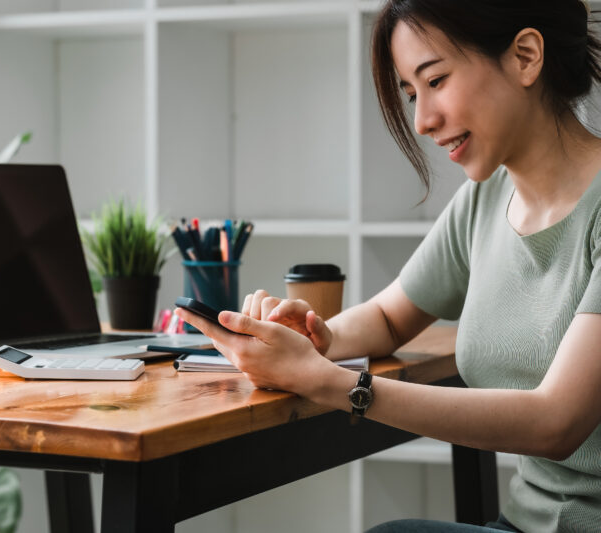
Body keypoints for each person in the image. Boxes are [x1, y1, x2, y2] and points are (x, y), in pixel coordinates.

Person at [175, 1, 601, 531]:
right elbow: (391, 317)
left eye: (436, 80)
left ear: (525, 57)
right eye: (411, 94)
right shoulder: (486, 199)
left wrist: (328, 383)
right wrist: (315, 338)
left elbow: (554, 423)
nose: (422, 121)